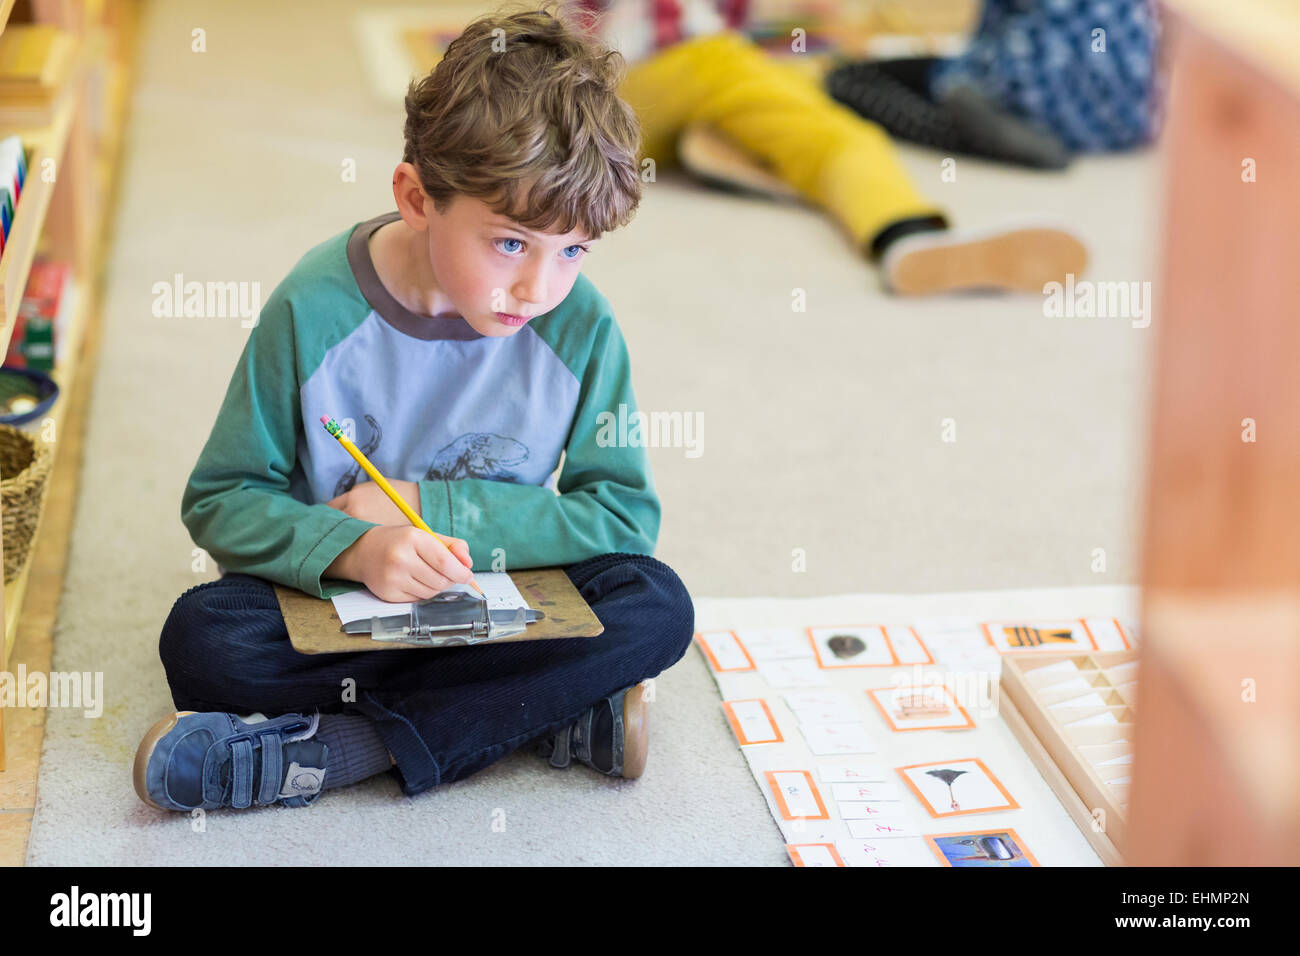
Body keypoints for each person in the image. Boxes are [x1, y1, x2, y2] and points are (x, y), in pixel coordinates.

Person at [134, 4, 694, 812]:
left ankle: (339, 750)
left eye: (573, 250)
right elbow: (222, 502)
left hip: (509, 599)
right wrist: (354, 549)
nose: (540, 288)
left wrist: (433, 508)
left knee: (656, 606)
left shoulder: (581, 324)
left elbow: (622, 517)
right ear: (417, 196)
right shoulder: (313, 308)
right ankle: (544, 710)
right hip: (347, 604)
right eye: (510, 242)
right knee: (204, 636)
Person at [569, 0, 1089, 294]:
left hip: (633, 101)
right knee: (832, 134)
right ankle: (903, 231)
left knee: (793, 106)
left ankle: (714, 148)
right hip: (662, 69)